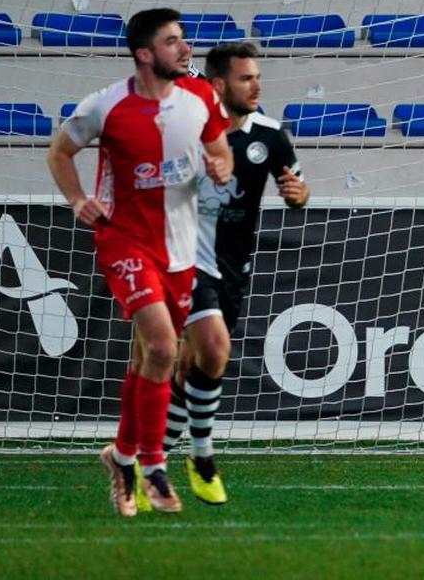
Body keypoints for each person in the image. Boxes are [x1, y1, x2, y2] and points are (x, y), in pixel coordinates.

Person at [47, 8, 232, 516]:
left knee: (154, 359)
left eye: (184, 39)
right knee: (162, 345)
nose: (186, 49)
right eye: (173, 42)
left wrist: (220, 166)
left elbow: (220, 151)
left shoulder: (200, 99)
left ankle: (121, 455)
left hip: (179, 245)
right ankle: (153, 466)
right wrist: (78, 199)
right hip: (124, 240)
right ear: (145, 54)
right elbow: (60, 152)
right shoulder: (106, 106)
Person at [159, 42, 309, 506]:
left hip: (233, 270)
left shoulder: (271, 135)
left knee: (195, 367)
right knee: (213, 351)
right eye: (247, 78)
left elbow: (298, 193)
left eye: (258, 76)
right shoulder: (186, 130)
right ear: (220, 84)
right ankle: (202, 458)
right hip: (184, 261)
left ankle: (150, 459)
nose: (257, 85)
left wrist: (297, 192)